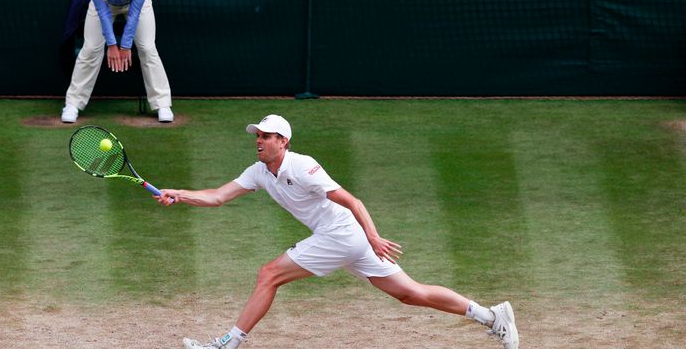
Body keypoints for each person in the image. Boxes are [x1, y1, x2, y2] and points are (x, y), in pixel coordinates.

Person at [154, 115, 519, 349]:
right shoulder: (258, 172)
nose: (259, 141)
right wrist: (179, 193)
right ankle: (491, 316)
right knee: (410, 293)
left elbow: (353, 201)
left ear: (284, 142)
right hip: (347, 241)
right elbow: (218, 197)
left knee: (269, 274)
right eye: (258, 136)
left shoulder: (305, 166)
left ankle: (228, 344)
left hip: (343, 235)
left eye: (267, 136)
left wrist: (373, 236)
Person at [61, 0, 174, 123]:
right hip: (104, 4)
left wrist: (126, 46)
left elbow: (135, 14)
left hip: (136, 5)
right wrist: (112, 45)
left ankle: (162, 104)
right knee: (91, 48)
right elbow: (103, 13)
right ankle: (73, 104)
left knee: (147, 47)